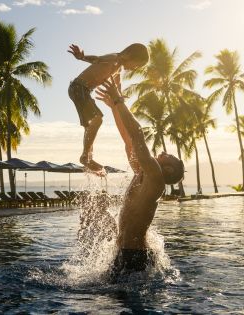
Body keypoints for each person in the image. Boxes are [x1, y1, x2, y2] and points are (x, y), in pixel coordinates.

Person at [95, 80, 185, 275]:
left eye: (169, 156)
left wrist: (119, 100)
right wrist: (114, 108)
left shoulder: (156, 179)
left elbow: (138, 134)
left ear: (168, 170)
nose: (163, 151)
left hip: (133, 256)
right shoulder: (145, 174)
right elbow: (129, 141)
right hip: (125, 252)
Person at [68, 43, 149, 175]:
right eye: (137, 65)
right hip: (79, 88)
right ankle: (85, 156)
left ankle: (88, 158)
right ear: (129, 55)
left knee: (90, 126)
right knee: (97, 119)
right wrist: (82, 57)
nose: (135, 69)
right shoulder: (114, 59)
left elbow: (117, 87)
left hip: (82, 91)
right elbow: (96, 59)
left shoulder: (117, 70)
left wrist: (120, 98)